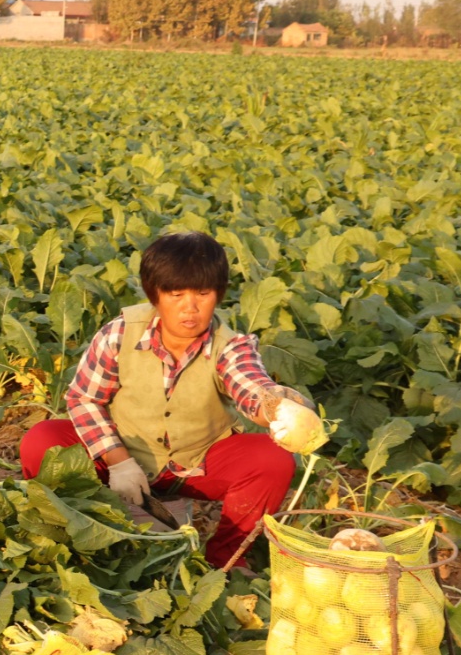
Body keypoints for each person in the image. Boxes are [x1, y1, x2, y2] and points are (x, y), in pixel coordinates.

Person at [18, 231, 323, 569]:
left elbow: (250, 385)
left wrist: (276, 406)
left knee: (272, 460)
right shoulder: (120, 333)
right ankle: (62, 533)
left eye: (203, 294)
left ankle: (227, 559)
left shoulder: (231, 346)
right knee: (42, 439)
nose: (189, 309)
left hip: (196, 463)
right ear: (155, 295)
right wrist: (118, 461)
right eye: (176, 294)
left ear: (218, 295)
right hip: (122, 454)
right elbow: (84, 399)